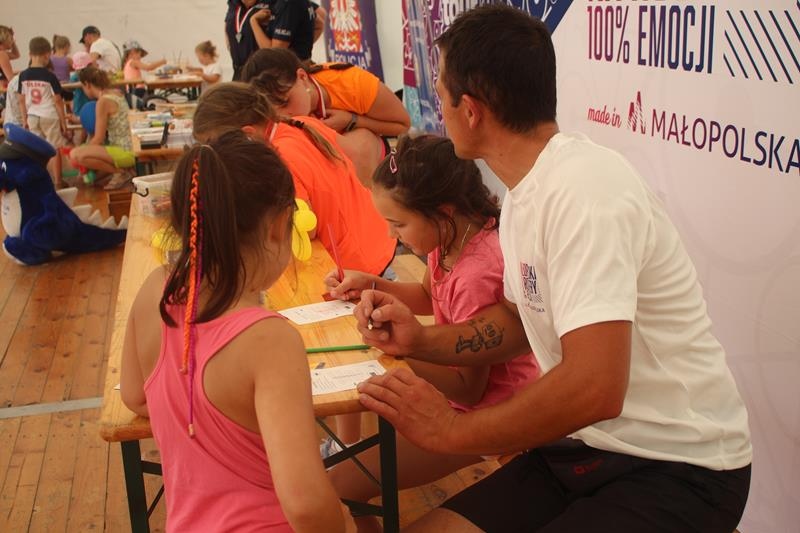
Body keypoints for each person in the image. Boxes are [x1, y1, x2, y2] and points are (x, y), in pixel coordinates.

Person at [354, 5, 752, 533]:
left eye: (442, 95)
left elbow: (594, 386)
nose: (440, 111)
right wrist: (419, 341)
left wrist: (449, 430)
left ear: (469, 110)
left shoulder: (584, 190)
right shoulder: (526, 192)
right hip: (583, 446)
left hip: (679, 466)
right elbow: (516, 320)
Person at [120, 131, 353, 532]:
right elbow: (305, 504)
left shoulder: (155, 292)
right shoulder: (269, 340)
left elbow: (135, 395)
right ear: (278, 226)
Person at [324, 135, 540, 529]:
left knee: (342, 483)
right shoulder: (453, 238)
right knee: (343, 479)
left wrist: (399, 351)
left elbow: (468, 390)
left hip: (490, 419)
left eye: (398, 224)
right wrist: (369, 284)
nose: (392, 236)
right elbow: (428, 295)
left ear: (442, 212)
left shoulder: (477, 274)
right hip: (465, 407)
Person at [193, 82, 396, 277]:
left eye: (214, 144)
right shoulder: (301, 123)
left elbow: (305, 230)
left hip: (356, 264)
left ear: (248, 134)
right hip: (378, 238)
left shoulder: (279, 161)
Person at [241, 48, 410, 138]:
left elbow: (403, 126)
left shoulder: (352, 83)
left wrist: (352, 121)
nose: (285, 116)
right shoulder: (264, 114)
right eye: (274, 112)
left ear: (302, 77)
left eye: (286, 102)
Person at [69, 67, 135, 190]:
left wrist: (81, 150)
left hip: (125, 152)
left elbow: (99, 138)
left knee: (75, 155)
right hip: (130, 146)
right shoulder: (116, 93)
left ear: (87, 84)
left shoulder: (103, 102)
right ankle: (122, 171)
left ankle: (120, 172)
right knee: (81, 153)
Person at [18, 37, 68, 186]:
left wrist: (24, 120)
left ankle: (40, 180)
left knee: (36, 149)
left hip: (32, 115)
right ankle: (58, 181)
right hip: (49, 115)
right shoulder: (49, 76)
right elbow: (57, 100)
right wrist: (63, 122)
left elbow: (21, 100)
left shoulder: (23, 75)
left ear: (29, 54)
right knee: (54, 148)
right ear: (47, 55)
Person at [248, 0, 316, 62]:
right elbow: (318, 24)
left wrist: (254, 22)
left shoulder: (288, 4)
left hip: (289, 68)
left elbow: (273, 54)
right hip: (300, 64)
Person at [224, 0, 271, 80]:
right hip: (238, 71)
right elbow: (227, 28)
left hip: (259, 74)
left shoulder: (270, 4)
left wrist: (253, 21)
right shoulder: (233, 3)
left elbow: (274, 49)